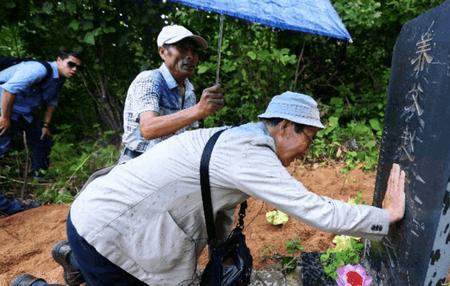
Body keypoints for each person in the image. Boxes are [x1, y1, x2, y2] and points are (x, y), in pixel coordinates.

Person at [13, 91, 406, 286]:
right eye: (310, 138)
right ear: (285, 126)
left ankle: (77, 259)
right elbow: (314, 210)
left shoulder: (231, 136)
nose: (309, 149)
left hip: (93, 214)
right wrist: (385, 218)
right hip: (109, 240)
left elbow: (207, 200)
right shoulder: (250, 156)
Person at [120, 25, 224, 162]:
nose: (190, 56)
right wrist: (199, 110)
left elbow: (184, 136)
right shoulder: (150, 80)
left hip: (169, 164)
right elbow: (148, 129)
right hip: (138, 163)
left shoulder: (188, 91)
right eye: (182, 48)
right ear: (163, 52)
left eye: (194, 51)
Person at [0, 51, 82, 180]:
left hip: (23, 111)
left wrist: (45, 125)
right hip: (4, 106)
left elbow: (51, 103)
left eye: (78, 67)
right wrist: (4, 118)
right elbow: (8, 89)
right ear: (59, 60)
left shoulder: (59, 79)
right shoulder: (38, 69)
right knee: (2, 143)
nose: (74, 69)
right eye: (71, 64)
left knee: (42, 138)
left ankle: (40, 178)